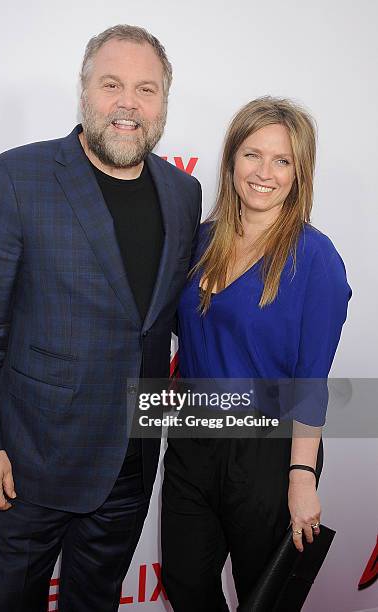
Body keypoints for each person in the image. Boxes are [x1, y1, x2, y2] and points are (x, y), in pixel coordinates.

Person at [0, 24, 201, 612]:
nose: (128, 103)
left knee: (96, 602)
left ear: (164, 101)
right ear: (85, 91)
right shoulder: (14, 179)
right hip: (30, 462)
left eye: (147, 88)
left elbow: (172, 317)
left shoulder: (183, 193)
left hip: (131, 460)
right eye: (112, 84)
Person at [161, 96, 351, 610]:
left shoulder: (315, 259)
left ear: (299, 171)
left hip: (270, 453)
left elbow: (311, 381)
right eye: (252, 154)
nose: (264, 172)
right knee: (185, 586)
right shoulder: (201, 241)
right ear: (231, 160)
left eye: (282, 160)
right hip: (193, 442)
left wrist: (302, 478)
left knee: (263, 600)